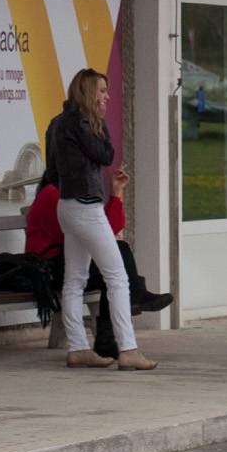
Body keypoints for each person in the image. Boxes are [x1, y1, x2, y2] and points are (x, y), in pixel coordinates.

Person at [44, 68, 157, 370]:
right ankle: (128, 349)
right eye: (103, 91)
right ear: (89, 93)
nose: (107, 97)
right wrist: (102, 125)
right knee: (118, 278)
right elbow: (106, 155)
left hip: (67, 206)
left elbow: (52, 170)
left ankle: (78, 347)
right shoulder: (84, 123)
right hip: (86, 207)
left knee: (74, 280)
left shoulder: (56, 124)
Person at [24, 167, 171, 358]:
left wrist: (116, 193)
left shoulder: (71, 197)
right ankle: (127, 307)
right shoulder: (54, 196)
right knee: (117, 258)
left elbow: (108, 228)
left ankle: (110, 334)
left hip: (67, 260)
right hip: (48, 269)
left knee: (117, 258)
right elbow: (95, 233)